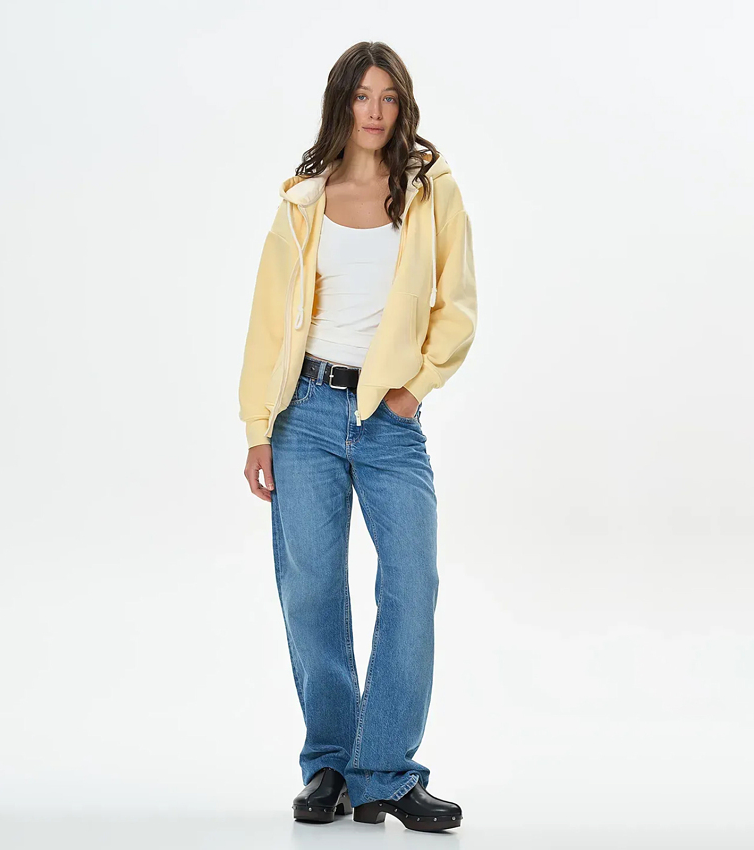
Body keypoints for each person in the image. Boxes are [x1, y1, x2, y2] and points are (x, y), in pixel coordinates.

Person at [238, 41, 477, 833]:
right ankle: (332, 767)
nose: (375, 112)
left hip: (389, 420)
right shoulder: (304, 201)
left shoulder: (430, 190)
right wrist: (258, 428)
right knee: (311, 589)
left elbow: (457, 304)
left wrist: (414, 389)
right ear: (341, 103)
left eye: (389, 98)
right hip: (304, 413)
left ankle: (387, 773)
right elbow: (269, 322)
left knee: (412, 584)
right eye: (362, 97)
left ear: (402, 106)